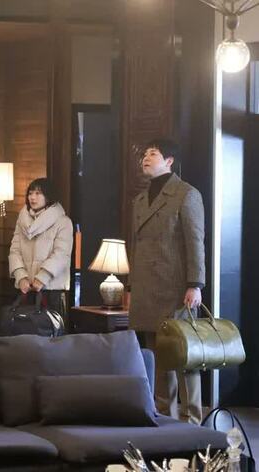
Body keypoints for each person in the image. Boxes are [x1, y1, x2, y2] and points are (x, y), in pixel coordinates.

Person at [129, 137, 205, 424]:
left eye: (153, 153)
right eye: (144, 154)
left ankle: (192, 421)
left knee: (184, 357)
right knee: (158, 360)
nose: (146, 158)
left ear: (169, 161)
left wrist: (195, 284)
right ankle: (165, 421)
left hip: (176, 289)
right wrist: (132, 285)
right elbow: (136, 246)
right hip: (147, 288)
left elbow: (195, 242)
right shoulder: (139, 200)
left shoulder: (186, 194)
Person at [8, 178, 73, 317]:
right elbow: (14, 251)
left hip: (51, 289)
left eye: (38, 193)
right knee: (23, 328)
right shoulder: (22, 221)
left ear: (49, 195)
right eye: (30, 193)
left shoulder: (63, 222)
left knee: (50, 329)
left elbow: (61, 254)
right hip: (25, 288)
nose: (32, 197)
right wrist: (21, 276)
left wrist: (42, 277)